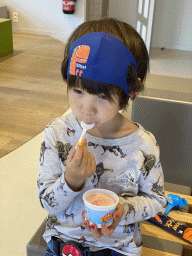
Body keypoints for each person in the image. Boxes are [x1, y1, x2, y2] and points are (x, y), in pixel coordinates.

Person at [37, 18, 166, 256]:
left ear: (131, 93)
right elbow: (47, 203)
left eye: (103, 97)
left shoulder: (143, 145)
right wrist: (72, 179)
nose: (86, 108)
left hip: (118, 248)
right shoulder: (56, 134)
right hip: (64, 242)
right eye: (77, 91)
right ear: (66, 79)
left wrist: (122, 210)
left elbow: (157, 200)